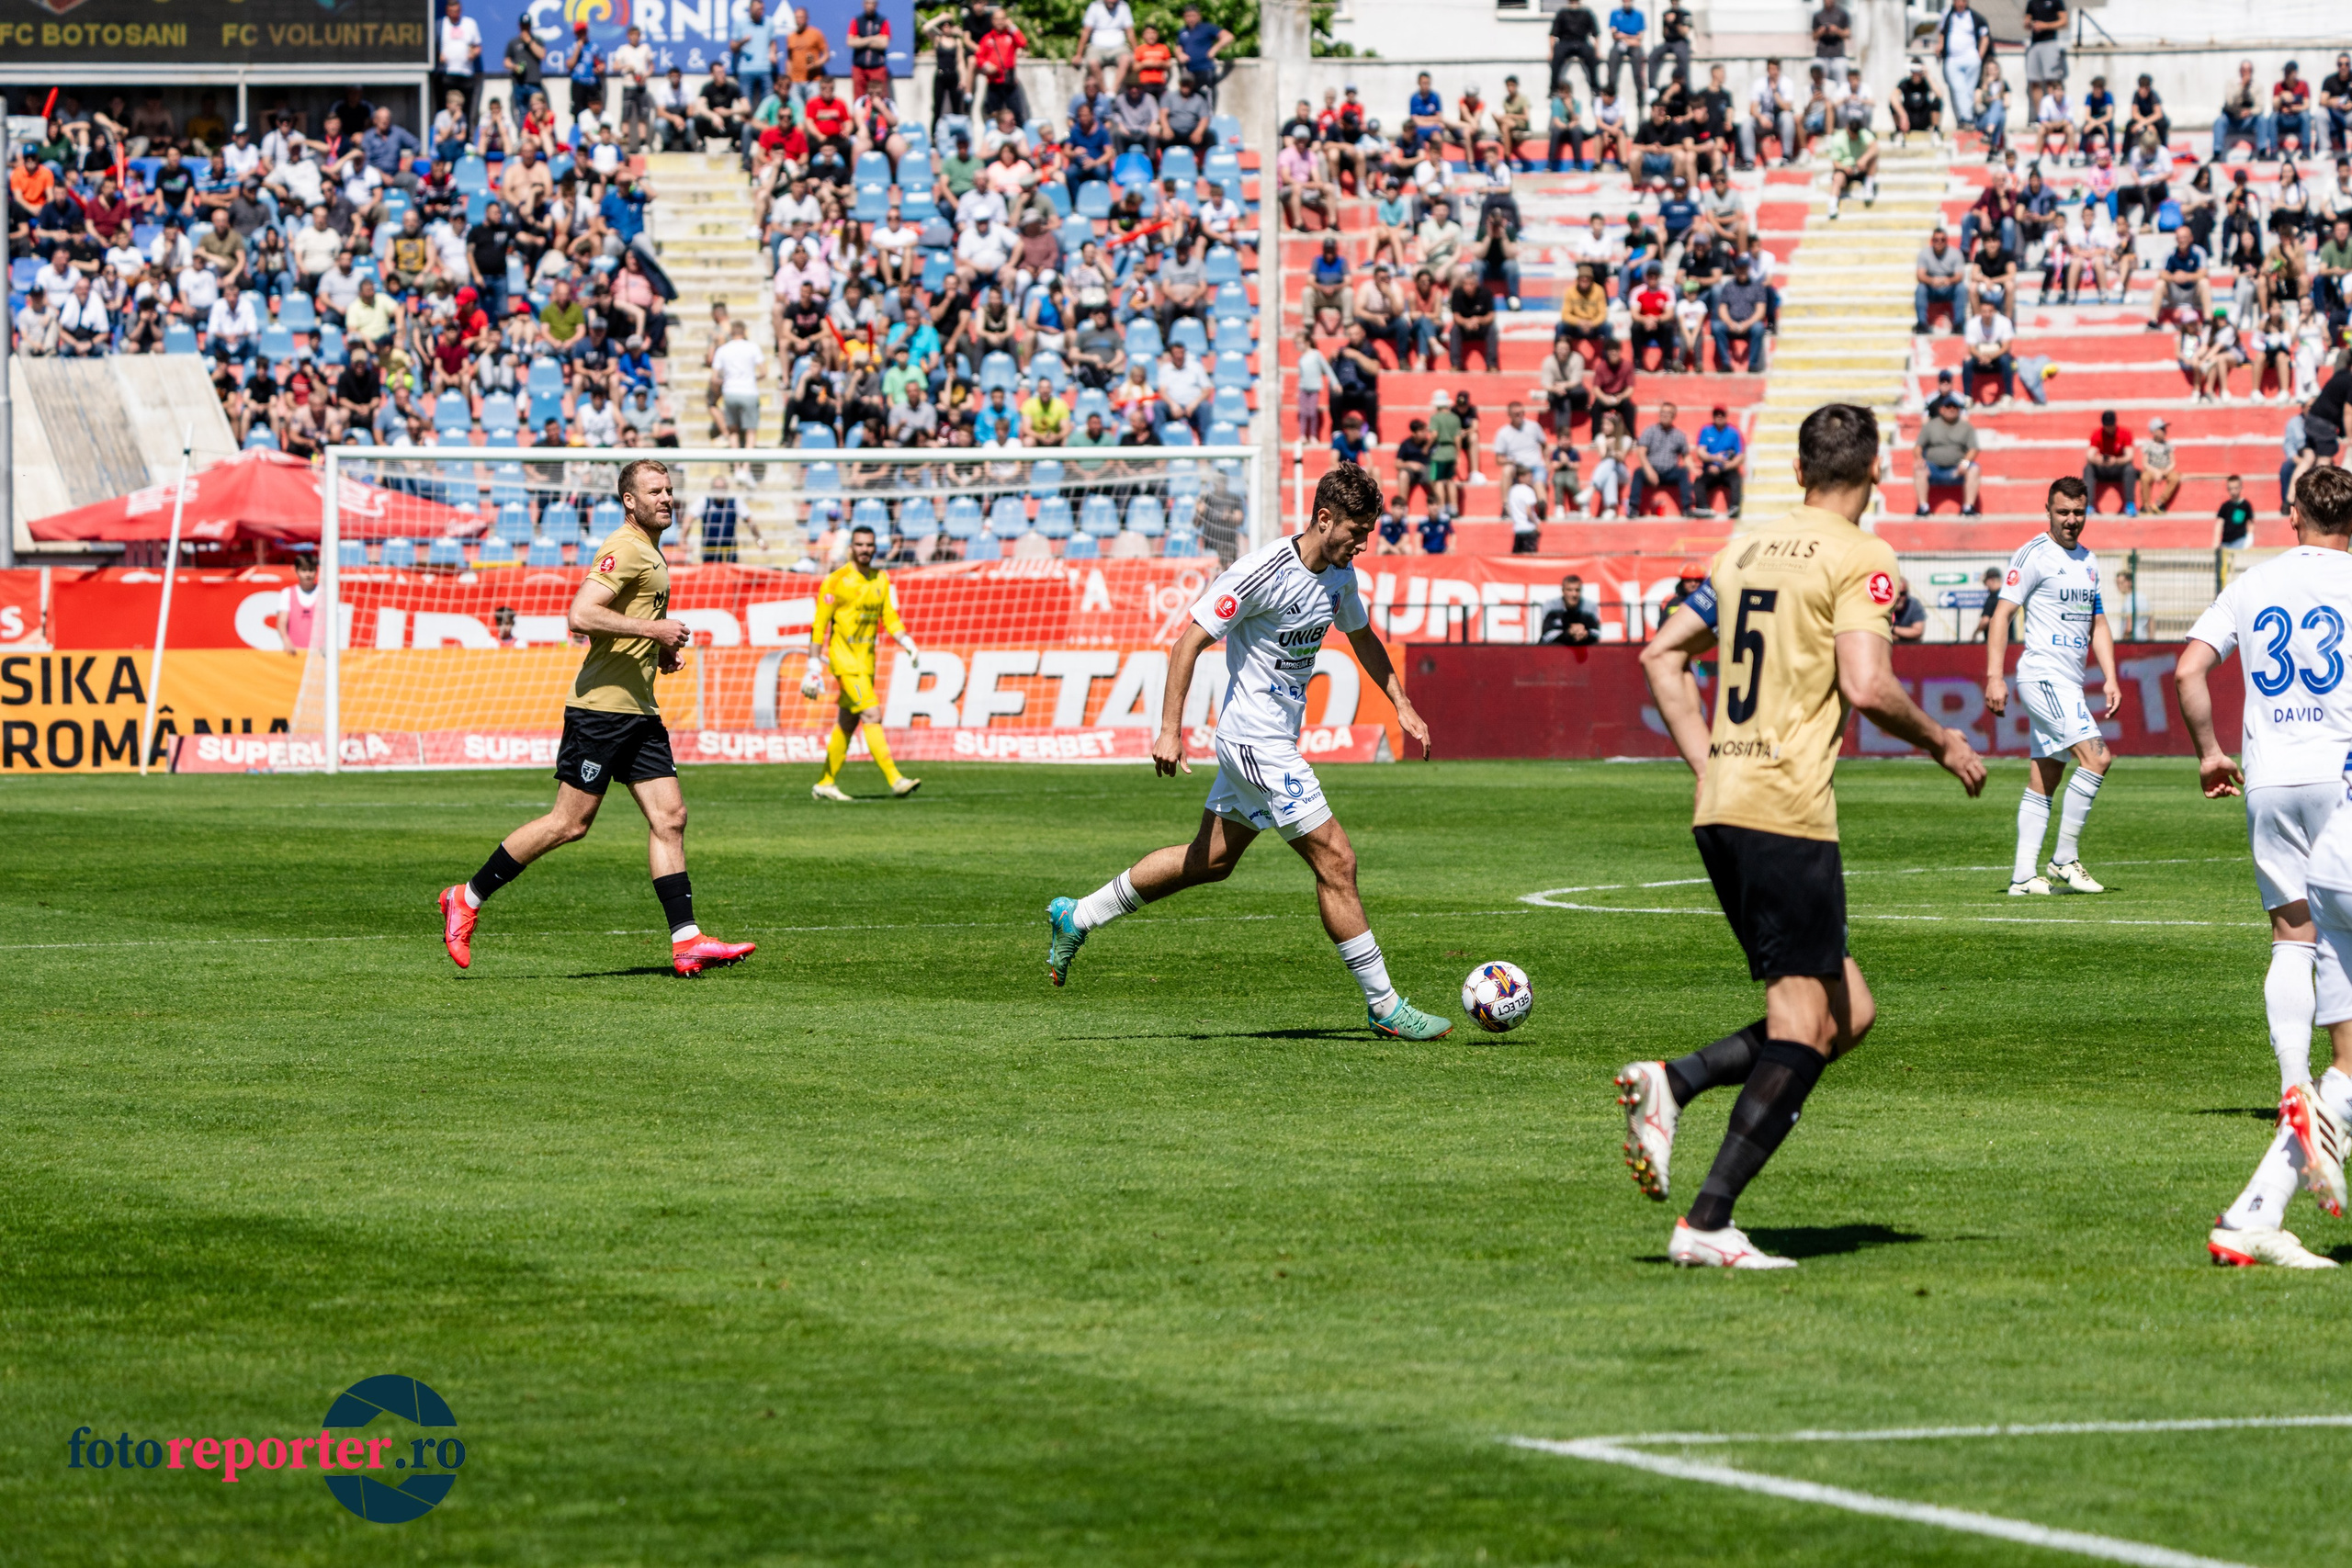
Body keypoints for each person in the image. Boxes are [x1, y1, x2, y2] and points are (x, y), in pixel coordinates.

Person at [1624, 402, 1986, 1266]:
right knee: (1802, 1028)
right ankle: (1707, 1222)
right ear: (1876, 473)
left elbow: (1661, 656)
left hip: (1725, 806)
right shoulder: (1862, 556)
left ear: (1798, 470)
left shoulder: (1743, 549)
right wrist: (1943, 739)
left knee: (1846, 1012)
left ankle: (1674, 1082)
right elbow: (1866, 685)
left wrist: (1710, 769)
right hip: (1785, 811)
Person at [1043, 464, 1449, 1042]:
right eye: (1356, 531)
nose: (1363, 543)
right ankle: (1384, 1005)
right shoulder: (1260, 571)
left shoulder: (1340, 574)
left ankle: (1077, 915)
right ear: (1324, 517)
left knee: (1209, 861)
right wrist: (1169, 730)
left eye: (1369, 532)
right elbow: (1187, 643)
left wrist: (1400, 703)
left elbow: (1361, 636)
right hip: (1254, 742)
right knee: (1337, 860)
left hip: (1274, 740)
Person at [438, 459, 755, 978]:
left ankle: (687, 941)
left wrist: (659, 651)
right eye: (655, 491)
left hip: (639, 711)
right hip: (601, 712)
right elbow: (581, 615)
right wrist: (654, 633)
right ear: (629, 500)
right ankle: (466, 897)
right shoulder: (624, 547)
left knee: (670, 817)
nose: (667, 498)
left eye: (670, 490)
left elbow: (625, 627)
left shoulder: (651, 551)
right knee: (570, 824)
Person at [2175, 465, 2352, 1267]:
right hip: (2343, 780)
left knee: (2293, 938)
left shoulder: (2255, 580)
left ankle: (2297, 1092)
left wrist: (2212, 751)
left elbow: (2186, 669)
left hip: (2273, 772)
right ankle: (2313, 1122)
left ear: (2291, 515)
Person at [1984, 479, 2119, 897]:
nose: (2071, 520)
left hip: (2070, 682)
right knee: (2097, 759)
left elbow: (2097, 622)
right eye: (2063, 512)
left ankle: (2023, 876)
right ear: (2048, 509)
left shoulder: (2089, 561)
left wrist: (2110, 675)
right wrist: (1994, 675)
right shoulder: (2033, 555)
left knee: (2046, 776)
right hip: (2043, 675)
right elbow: (2001, 615)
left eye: (2078, 512)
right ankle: (2063, 857)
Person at [803, 524, 923, 801]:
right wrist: (812, 667)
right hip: (844, 663)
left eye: (869, 545)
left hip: (867, 664)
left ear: (875, 547)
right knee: (872, 715)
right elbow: (819, 626)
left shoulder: (881, 579)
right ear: (851, 548)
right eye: (860, 545)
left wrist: (906, 641)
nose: (865, 549)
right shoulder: (836, 581)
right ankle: (895, 779)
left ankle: (825, 783)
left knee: (847, 722)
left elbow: (889, 616)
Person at [1913, 398, 1982, 515]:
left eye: (1955, 407)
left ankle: (1968, 508)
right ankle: (1923, 507)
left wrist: (1965, 463)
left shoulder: (1966, 427)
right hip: (1933, 468)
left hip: (1957, 469)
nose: (1951, 410)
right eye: (1948, 407)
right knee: (1918, 468)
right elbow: (1918, 446)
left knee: (1974, 468)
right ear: (1941, 410)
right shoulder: (1930, 425)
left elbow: (1973, 449)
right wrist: (1919, 459)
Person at [2082, 408, 2137, 516]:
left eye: (2111, 425)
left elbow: (2129, 456)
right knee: (2088, 468)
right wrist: (2099, 460)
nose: (2109, 428)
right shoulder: (2097, 434)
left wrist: (2116, 461)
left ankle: (2130, 504)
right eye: (2106, 426)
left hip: (2118, 468)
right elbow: (2089, 455)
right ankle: (2088, 505)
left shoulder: (2125, 433)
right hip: (2102, 468)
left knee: (2130, 469)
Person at [1694, 405, 1743, 517]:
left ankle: (1734, 507)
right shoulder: (1706, 430)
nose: (1719, 417)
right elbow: (1700, 452)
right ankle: (1703, 507)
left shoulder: (1733, 433)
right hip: (1710, 468)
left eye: (1722, 414)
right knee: (1699, 482)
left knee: (1736, 479)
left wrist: (1724, 466)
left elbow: (1740, 456)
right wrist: (1715, 458)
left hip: (1727, 469)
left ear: (1726, 416)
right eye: (1716, 414)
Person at [275, 554, 323, 654]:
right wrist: (286, 640)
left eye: (311, 570)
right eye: (304, 570)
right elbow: (282, 621)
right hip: (295, 652)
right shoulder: (287, 593)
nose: (308, 574)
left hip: (319, 653)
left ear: (316, 571)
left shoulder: (324, 593)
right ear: (296, 571)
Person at [2138, 414, 2180, 514]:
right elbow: (2145, 463)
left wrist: (2166, 470)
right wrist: (2155, 471)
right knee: (2144, 478)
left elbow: (2172, 462)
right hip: (2152, 469)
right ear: (2154, 432)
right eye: (2162, 429)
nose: (2165, 431)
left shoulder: (2168, 445)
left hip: (2166, 469)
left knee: (2175, 478)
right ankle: (2146, 505)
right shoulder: (2148, 445)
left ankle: (2160, 502)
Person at [1542, 575, 1602, 643]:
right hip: (1556, 651)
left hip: (1583, 651)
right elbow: (1546, 636)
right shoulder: (1551, 606)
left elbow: (1597, 634)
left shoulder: (1590, 606)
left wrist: (1585, 634)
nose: (1574, 594)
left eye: (1577, 590)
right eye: (1569, 590)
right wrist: (1569, 633)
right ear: (1563, 590)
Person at [2217, 473, 2256, 550]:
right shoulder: (2225, 506)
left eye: (2235, 488)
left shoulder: (2245, 505)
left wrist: (2250, 539)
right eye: (2230, 489)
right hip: (2226, 542)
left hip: (2240, 542)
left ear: (2241, 488)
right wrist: (2216, 542)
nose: (2233, 491)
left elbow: (2250, 523)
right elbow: (2219, 523)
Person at [1888, 577, 1927, 642]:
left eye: (1902, 593)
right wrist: (1906, 634)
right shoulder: (1883, 605)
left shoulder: (1914, 604)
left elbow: (1918, 632)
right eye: (1895, 593)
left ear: (1907, 593)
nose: (1898, 597)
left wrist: (1892, 629)